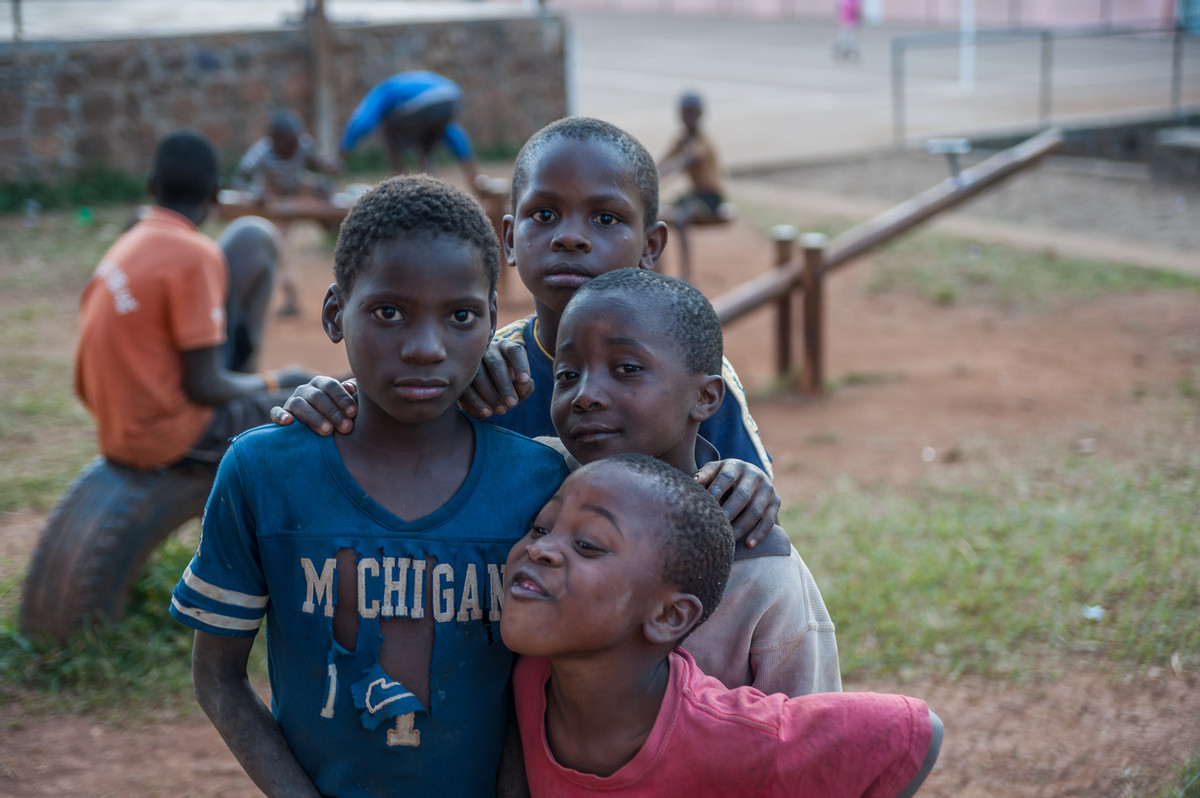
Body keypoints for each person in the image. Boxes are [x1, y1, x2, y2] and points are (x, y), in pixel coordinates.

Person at [168, 175, 570, 797]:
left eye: (460, 316)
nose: (425, 348)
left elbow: (541, 686)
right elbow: (217, 679)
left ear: (492, 319)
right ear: (336, 313)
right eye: (389, 312)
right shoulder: (265, 472)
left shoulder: (538, 483)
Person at [276, 116, 774, 480]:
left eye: (605, 219)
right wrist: (330, 403)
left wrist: (747, 488)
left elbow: (749, 498)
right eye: (544, 215)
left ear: (650, 247)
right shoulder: (482, 368)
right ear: (509, 239)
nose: (570, 238)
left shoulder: (691, 375)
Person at [503, 454, 943, 797]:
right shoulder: (531, 677)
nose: (541, 550)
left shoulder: (734, 735)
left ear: (668, 616)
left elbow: (913, 732)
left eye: (587, 544)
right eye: (540, 529)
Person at [543, 268, 840, 696]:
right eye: (567, 375)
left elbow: (809, 734)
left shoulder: (762, 572)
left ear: (705, 397)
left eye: (626, 368)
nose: (585, 394)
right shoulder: (536, 485)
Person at [74, 129, 313, 472]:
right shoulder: (195, 253)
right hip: (169, 437)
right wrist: (279, 380)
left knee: (251, 238)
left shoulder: (128, 242)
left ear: (151, 186)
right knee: (311, 404)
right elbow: (204, 386)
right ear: (216, 194)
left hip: (114, 428)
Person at [232, 108, 341, 316]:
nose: (293, 147)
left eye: (295, 142)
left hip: (297, 188)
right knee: (279, 246)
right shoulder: (262, 152)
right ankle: (291, 297)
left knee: (318, 187)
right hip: (274, 199)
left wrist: (331, 165)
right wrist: (257, 196)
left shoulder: (303, 144)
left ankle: (329, 225)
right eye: (287, 143)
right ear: (274, 141)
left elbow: (319, 163)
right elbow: (239, 179)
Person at [338, 70, 480, 188]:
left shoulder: (383, 91)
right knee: (434, 132)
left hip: (423, 100)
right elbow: (452, 133)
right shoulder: (408, 84)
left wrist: (343, 153)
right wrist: (470, 169)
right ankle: (461, 180)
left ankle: (401, 184)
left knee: (388, 130)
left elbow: (362, 122)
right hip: (452, 95)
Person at [657, 91, 728, 281]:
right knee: (657, 214)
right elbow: (664, 160)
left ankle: (686, 273)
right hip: (695, 194)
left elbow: (681, 161)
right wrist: (650, 175)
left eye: (692, 113)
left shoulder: (701, 141)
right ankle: (657, 271)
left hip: (710, 196)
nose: (688, 118)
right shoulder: (681, 139)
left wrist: (658, 179)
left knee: (681, 219)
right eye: (685, 113)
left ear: (700, 115)